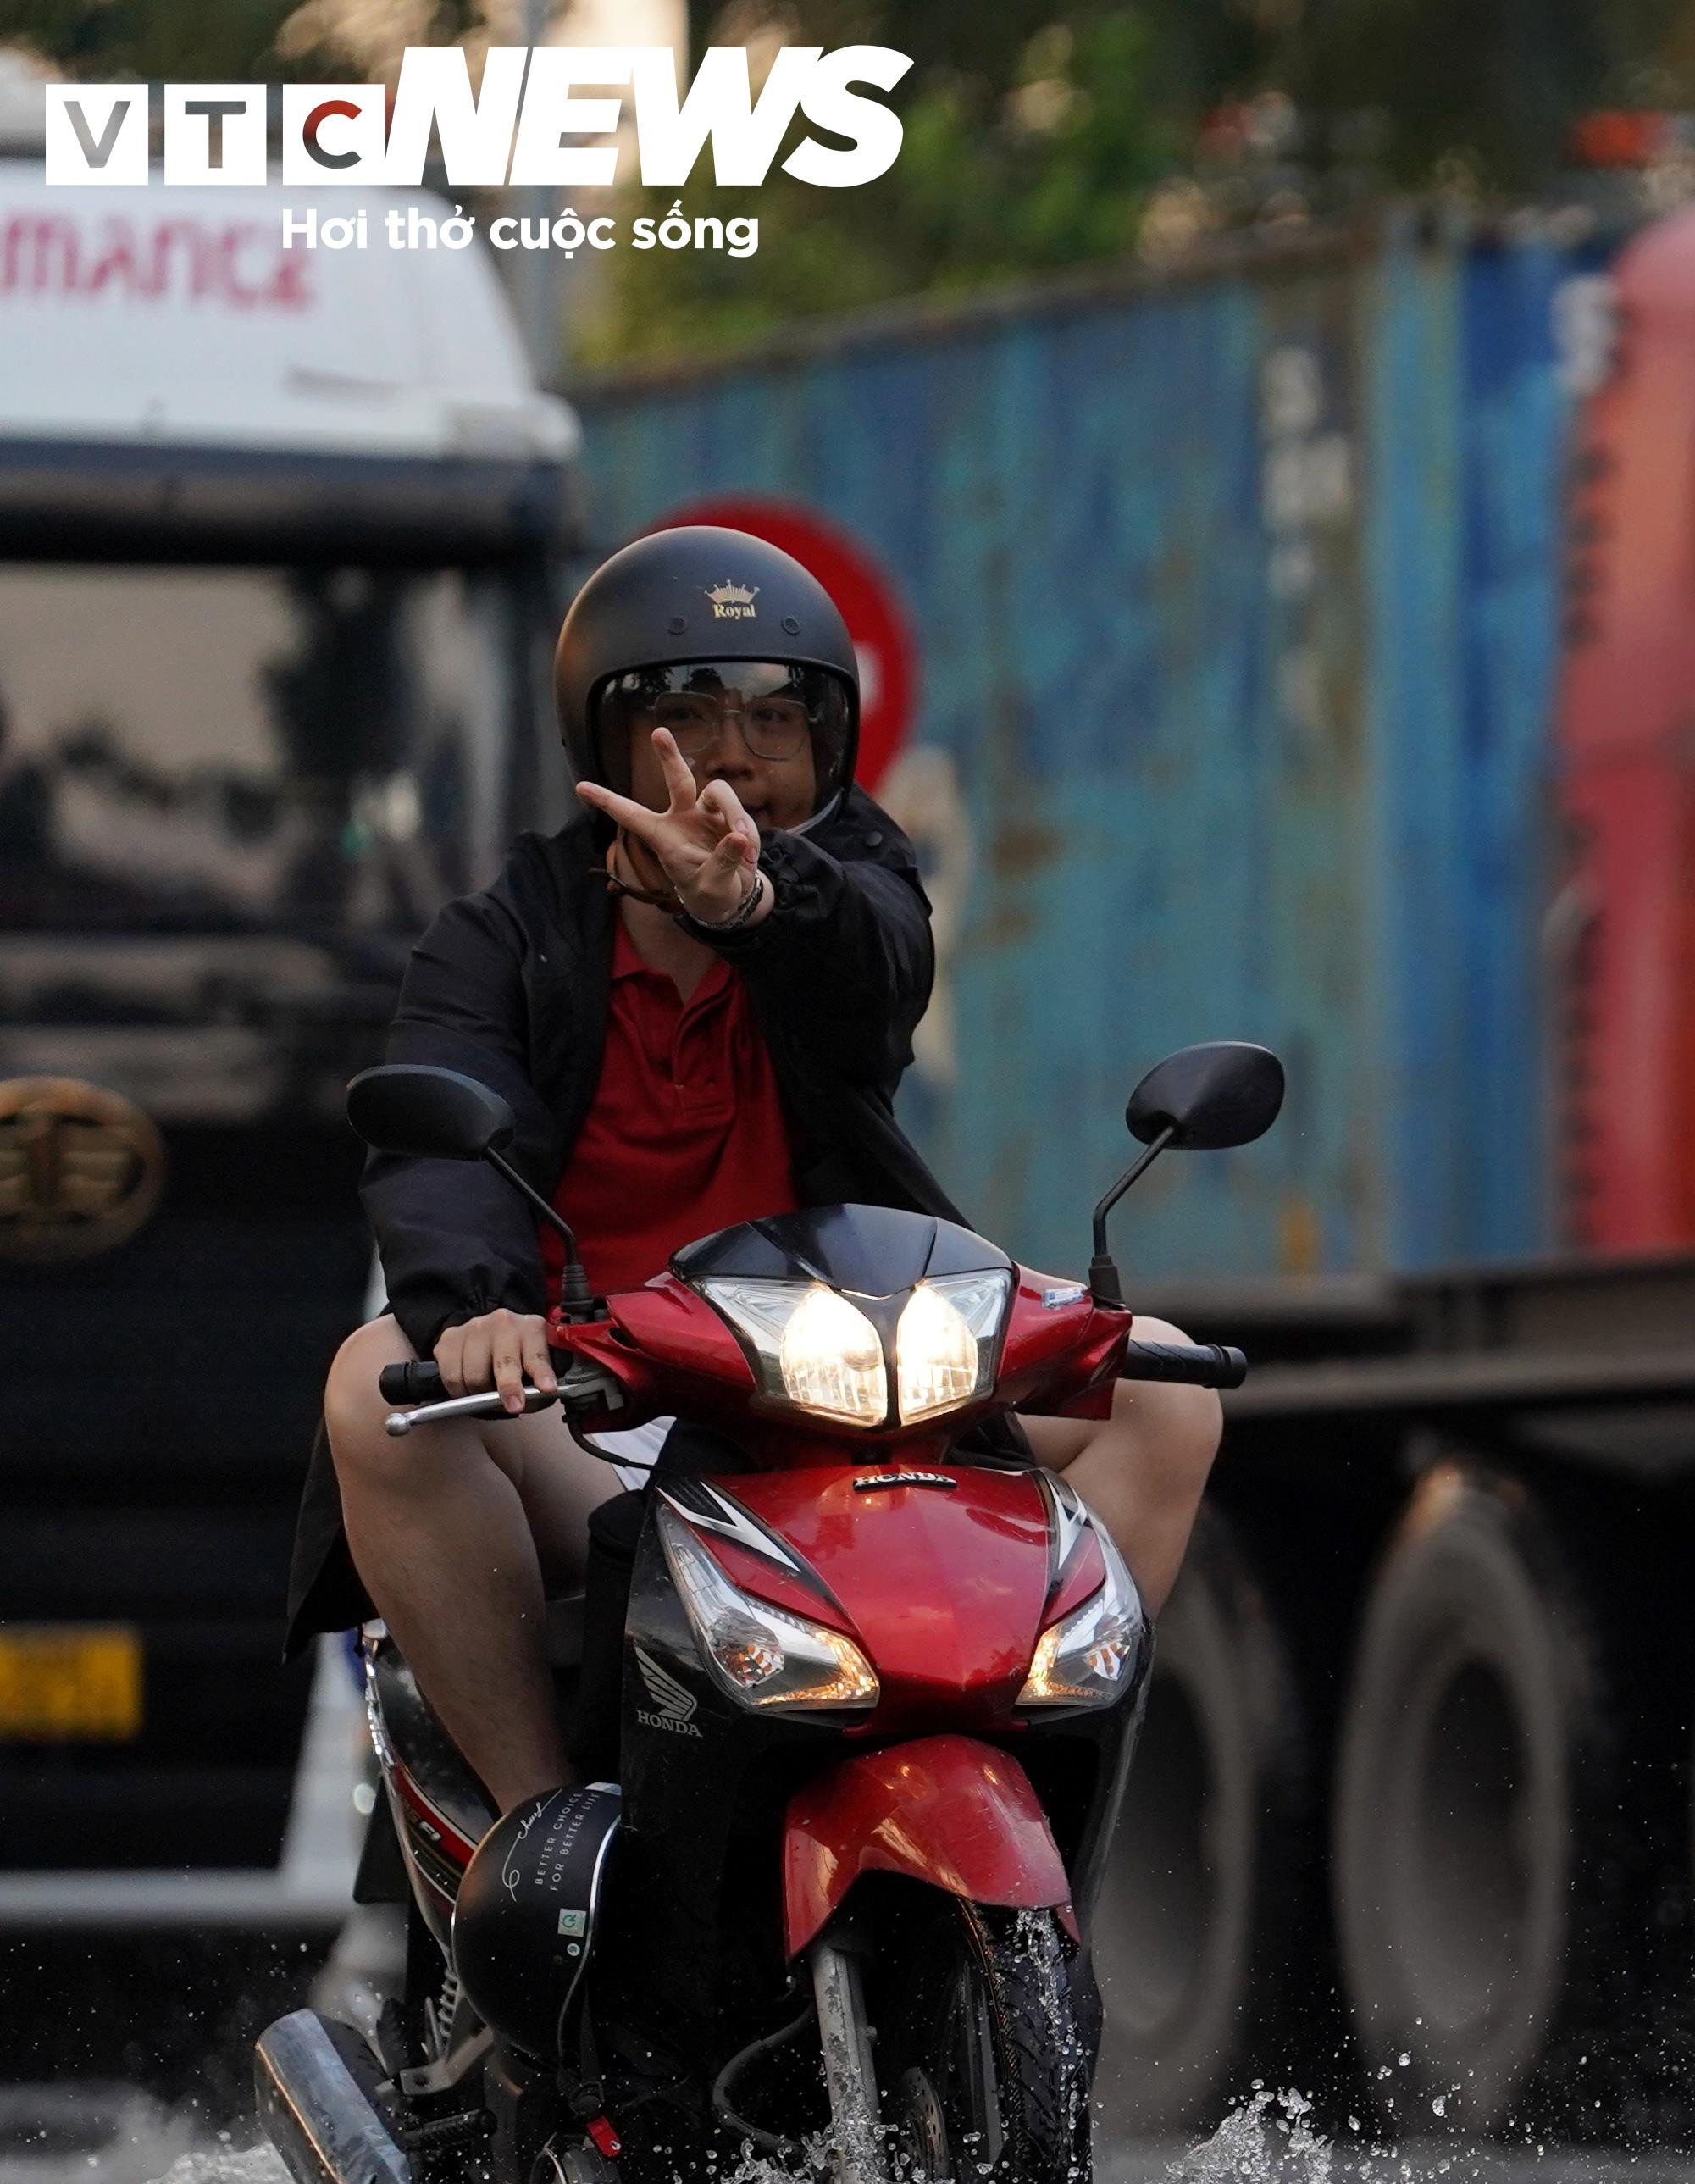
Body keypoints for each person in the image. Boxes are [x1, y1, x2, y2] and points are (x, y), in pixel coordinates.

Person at [290, 522, 1223, 1818]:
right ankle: (545, 1831)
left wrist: (750, 905)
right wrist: (475, 1305)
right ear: (604, 740)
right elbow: (439, 1154)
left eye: (773, 721)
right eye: (681, 714)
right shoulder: (494, 937)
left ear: (824, 747)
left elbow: (877, 979)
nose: (728, 760)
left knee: (1169, 1392)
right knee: (366, 1388)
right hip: (594, 1412)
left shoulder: (854, 885)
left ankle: (1023, 1809)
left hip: (846, 1391)